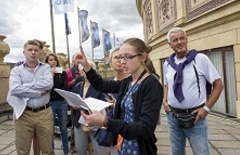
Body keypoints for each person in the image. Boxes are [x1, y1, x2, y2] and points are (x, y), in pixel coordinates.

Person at [78, 37, 164, 155]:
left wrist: (105, 121)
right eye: (121, 57)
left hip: (139, 148)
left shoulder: (151, 84)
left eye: (128, 57)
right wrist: (86, 66)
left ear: (143, 57)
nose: (122, 61)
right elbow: (101, 85)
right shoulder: (129, 80)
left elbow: (145, 129)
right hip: (123, 144)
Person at [163, 27, 224, 155]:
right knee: (176, 152)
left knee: (201, 152)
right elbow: (167, 84)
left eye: (182, 38)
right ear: (170, 45)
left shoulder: (200, 59)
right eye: (175, 40)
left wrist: (206, 109)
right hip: (173, 117)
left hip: (195, 117)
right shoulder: (167, 63)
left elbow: (218, 85)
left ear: (186, 39)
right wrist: (165, 101)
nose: (179, 42)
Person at [7, 39, 54, 155]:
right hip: (23, 114)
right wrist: (38, 92)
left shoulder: (46, 68)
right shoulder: (16, 71)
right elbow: (15, 89)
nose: (33, 52)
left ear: (39, 53)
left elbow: (49, 84)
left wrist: (25, 86)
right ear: (24, 52)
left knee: (48, 150)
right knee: (23, 150)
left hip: (44, 114)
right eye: (30, 50)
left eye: (36, 50)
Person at [72, 59, 107, 155]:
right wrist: (74, 105)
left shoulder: (99, 86)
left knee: (99, 150)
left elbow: (104, 102)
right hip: (79, 121)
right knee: (80, 149)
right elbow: (74, 99)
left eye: (87, 69)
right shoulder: (78, 86)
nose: (85, 72)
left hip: (95, 122)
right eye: (82, 69)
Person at [45, 53, 69, 155]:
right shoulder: (45, 74)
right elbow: (46, 88)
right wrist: (51, 75)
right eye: (50, 60)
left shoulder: (62, 73)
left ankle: (66, 150)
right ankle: (52, 151)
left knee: (63, 128)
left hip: (62, 102)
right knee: (50, 129)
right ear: (46, 62)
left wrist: (53, 90)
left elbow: (64, 88)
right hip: (50, 103)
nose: (53, 61)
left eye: (54, 60)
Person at [65, 52, 84, 153]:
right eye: (77, 58)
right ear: (73, 61)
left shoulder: (85, 70)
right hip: (74, 101)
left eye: (80, 58)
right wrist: (72, 82)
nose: (79, 60)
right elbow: (65, 86)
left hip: (84, 99)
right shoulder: (68, 72)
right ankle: (73, 144)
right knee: (75, 123)